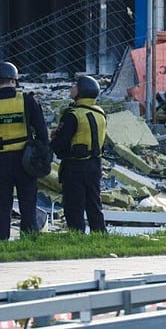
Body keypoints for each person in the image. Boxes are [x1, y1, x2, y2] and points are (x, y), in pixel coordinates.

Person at [0, 61, 49, 242]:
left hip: (0, 161)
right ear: (14, 81)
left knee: (2, 207)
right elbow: (42, 133)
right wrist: (42, 158)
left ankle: (0, 242)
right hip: (25, 160)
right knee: (28, 205)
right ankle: (29, 242)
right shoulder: (27, 100)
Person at [50, 75, 108, 234]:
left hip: (75, 166)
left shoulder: (73, 115)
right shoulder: (100, 113)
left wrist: (53, 141)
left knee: (73, 206)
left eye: (75, 85)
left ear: (81, 92)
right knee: (94, 204)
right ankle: (100, 234)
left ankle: (77, 235)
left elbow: (59, 144)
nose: (72, 88)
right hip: (95, 165)